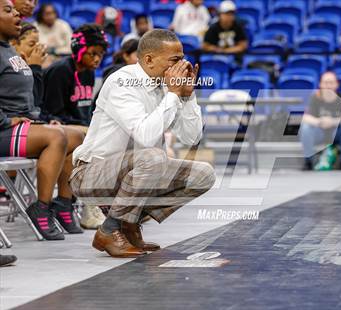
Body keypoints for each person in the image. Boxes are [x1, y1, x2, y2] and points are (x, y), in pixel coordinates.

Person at [69, 29, 216, 258]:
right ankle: (109, 230)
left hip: (135, 171)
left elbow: (191, 138)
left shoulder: (166, 87)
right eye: (175, 60)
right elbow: (145, 137)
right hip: (90, 173)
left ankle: (129, 222)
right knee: (154, 156)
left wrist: (187, 96)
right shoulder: (122, 81)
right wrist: (174, 94)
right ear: (149, 60)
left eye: (183, 58)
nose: (183, 65)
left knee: (203, 174)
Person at [0, 0, 84, 240]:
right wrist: (5, 121)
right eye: (8, 10)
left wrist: (34, 69)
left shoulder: (8, 50)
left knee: (76, 137)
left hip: (19, 124)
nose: (16, 13)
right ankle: (41, 207)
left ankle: (63, 203)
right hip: (2, 130)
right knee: (55, 137)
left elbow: (32, 100)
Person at [43, 24, 109, 129]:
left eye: (101, 54)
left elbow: (85, 112)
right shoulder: (61, 70)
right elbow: (55, 113)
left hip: (82, 126)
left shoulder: (89, 71)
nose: (97, 59)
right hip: (60, 127)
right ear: (79, 50)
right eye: (92, 54)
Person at [300, 72, 341, 170]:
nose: (328, 85)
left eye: (331, 82)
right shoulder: (314, 98)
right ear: (320, 84)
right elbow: (306, 117)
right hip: (319, 132)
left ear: (337, 84)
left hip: (335, 132)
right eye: (325, 82)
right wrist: (320, 122)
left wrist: (332, 122)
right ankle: (308, 162)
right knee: (306, 128)